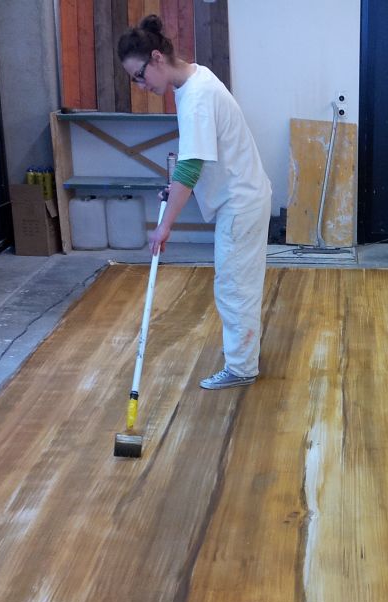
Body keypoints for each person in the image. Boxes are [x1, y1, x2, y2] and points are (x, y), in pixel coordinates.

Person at [117, 15, 271, 389]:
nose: (141, 86)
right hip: (243, 196)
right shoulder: (195, 81)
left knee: (234, 286)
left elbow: (189, 167)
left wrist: (164, 227)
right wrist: (174, 192)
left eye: (140, 76)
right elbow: (196, 159)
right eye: (135, 81)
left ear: (156, 58)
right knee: (238, 283)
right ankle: (244, 355)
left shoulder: (197, 96)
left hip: (241, 202)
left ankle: (241, 368)